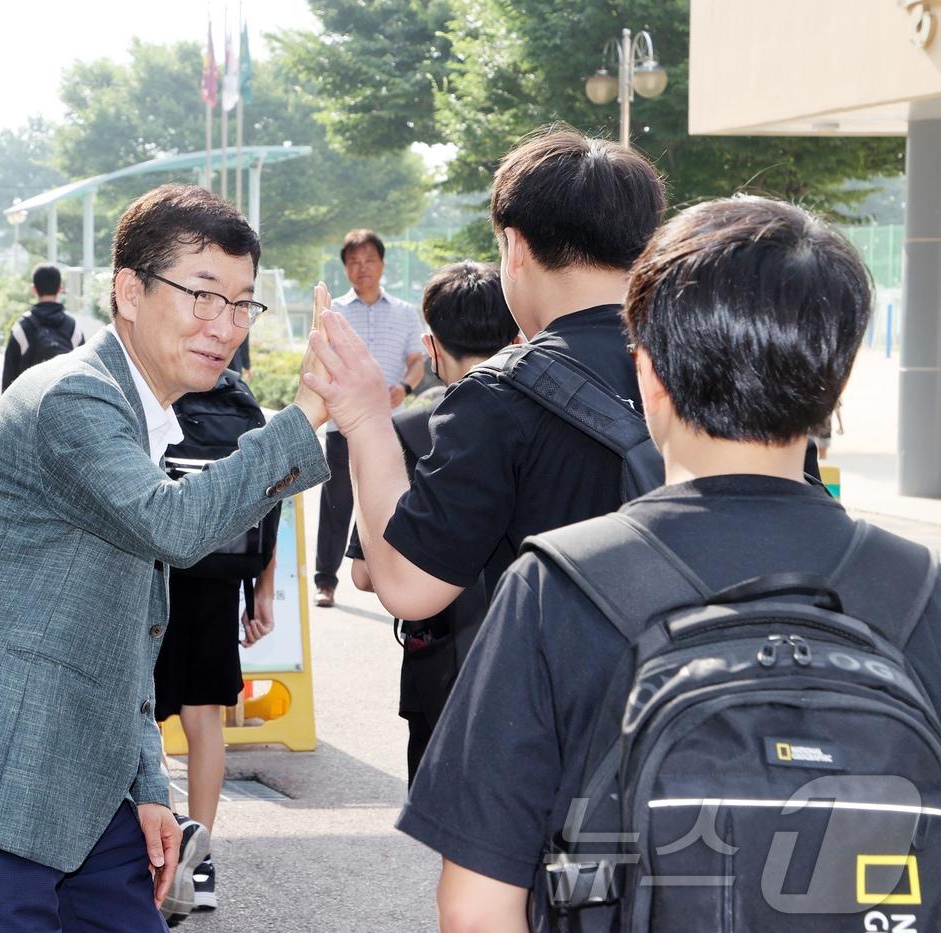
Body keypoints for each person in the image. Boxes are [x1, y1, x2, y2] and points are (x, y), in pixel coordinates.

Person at [394, 195, 941, 932]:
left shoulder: (560, 584)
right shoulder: (917, 591)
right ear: (835, 383)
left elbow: (475, 904)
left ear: (648, 370)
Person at [0, 184, 330, 932]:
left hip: (87, 794)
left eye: (242, 304)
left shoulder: (141, 415)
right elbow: (173, 525)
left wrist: (146, 784)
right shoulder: (74, 396)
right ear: (129, 291)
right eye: (202, 295)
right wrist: (308, 414)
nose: (226, 326)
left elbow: (129, 641)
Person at [308, 127, 665, 630]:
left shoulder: (500, 397)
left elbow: (408, 586)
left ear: (514, 248)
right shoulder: (718, 366)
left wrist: (366, 418)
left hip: (570, 702)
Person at [347, 261, 519, 782]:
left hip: (439, 661)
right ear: (517, 335)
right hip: (529, 659)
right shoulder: (545, 419)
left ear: (431, 345)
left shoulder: (407, 430)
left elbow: (364, 574)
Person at [154, 369, 283, 920]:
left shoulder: (153, 387)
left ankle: (156, 850)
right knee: (204, 717)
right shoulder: (242, 401)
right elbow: (270, 502)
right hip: (220, 574)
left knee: (141, 715)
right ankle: (199, 861)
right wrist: (263, 592)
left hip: (153, 573)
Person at [313, 229, 424, 608]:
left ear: (382, 264)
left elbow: (416, 361)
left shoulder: (406, 313)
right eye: (354, 262)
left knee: (389, 498)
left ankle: (385, 574)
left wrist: (404, 389)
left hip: (391, 424)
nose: (363, 269)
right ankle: (325, 580)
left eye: (369, 261)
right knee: (336, 501)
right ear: (345, 268)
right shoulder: (333, 313)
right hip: (342, 421)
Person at [1, 262, 85, 391]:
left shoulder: (22, 328)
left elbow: (8, 380)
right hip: (66, 406)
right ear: (60, 288)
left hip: (29, 405)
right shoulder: (73, 328)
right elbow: (84, 376)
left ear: (34, 289)